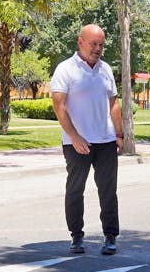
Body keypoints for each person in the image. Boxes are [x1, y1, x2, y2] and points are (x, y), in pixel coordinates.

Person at [50, 24, 123, 256]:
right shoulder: (65, 69)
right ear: (80, 41)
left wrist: (119, 135)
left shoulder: (106, 69)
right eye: (93, 43)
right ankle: (77, 236)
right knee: (75, 190)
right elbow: (58, 106)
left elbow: (113, 103)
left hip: (106, 140)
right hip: (76, 143)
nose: (98, 48)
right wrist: (74, 136)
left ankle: (110, 236)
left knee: (108, 191)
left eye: (101, 44)